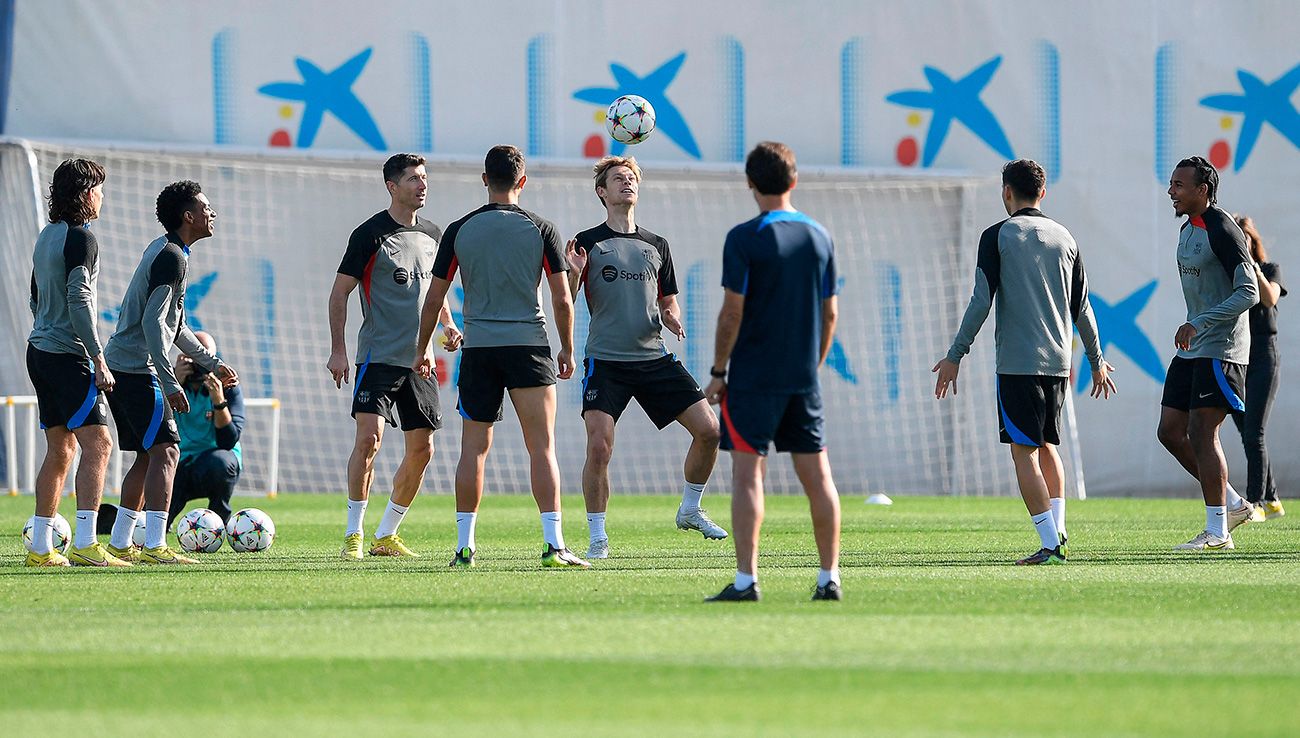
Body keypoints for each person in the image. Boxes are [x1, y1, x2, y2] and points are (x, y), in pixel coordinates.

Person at [933, 159, 1117, 565]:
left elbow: (981, 301)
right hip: (1057, 364)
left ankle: (1051, 544)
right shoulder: (1065, 237)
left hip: (1018, 364)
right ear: (1043, 193)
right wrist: (1096, 359)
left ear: (1006, 192)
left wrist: (954, 355)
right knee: (1049, 446)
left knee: (1023, 452)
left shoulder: (998, 235)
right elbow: (1082, 306)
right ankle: (1060, 532)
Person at [414, 144, 588, 568]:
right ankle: (553, 544)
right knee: (541, 447)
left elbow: (435, 297)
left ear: (484, 180)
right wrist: (566, 347)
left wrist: (420, 350)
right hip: (529, 347)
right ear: (522, 182)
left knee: (472, 449)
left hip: (479, 349)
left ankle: (463, 547)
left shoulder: (459, 229)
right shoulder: (542, 228)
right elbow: (562, 299)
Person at [565, 155, 725, 560]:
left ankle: (690, 508)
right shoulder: (587, 242)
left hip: (653, 357)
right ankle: (598, 538)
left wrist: (672, 316)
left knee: (709, 430)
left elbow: (669, 300)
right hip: (606, 360)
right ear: (602, 192)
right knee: (599, 448)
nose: (627, 183)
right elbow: (564, 300)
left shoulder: (657, 245)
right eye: (618, 178)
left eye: (632, 178)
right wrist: (572, 272)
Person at [703, 141, 842, 602]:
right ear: (794, 180)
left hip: (753, 380)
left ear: (750, 183)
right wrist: (813, 366)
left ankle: (746, 580)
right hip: (803, 380)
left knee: (748, 476)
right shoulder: (820, 236)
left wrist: (719, 371)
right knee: (819, 478)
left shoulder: (745, 237)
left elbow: (731, 313)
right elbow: (831, 314)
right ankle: (829, 578)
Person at [327, 153, 461, 560]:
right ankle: (354, 533)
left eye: (424, 178)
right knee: (369, 440)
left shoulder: (436, 234)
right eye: (413, 179)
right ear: (392, 186)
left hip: (419, 361)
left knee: (423, 450)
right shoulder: (370, 234)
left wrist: (448, 325)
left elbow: (434, 293)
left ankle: (386, 534)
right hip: (378, 357)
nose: (422, 185)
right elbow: (339, 294)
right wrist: (338, 350)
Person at [102, 180, 239, 565]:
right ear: (188, 216)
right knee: (168, 451)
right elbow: (151, 324)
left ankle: (120, 542)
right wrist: (167, 379)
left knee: (148, 457)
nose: (212, 213)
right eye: (206, 207)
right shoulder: (172, 257)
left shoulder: (171, 251)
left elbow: (173, 325)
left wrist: (212, 363)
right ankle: (156, 546)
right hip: (134, 370)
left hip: (125, 365)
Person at [25, 158, 122, 567]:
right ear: (85, 194)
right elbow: (79, 299)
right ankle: (85, 541)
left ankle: (40, 548)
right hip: (68, 356)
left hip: (39, 351)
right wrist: (98, 357)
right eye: (98, 188)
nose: (102, 196)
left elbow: (34, 295)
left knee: (61, 449)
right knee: (100, 444)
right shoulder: (83, 238)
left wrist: (48, 329)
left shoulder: (47, 235)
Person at [1158, 156, 1259, 550]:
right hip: (1194, 349)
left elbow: (1249, 291)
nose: (1171, 191)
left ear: (1203, 190)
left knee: (1202, 431)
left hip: (1222, 348)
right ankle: (1233, 503)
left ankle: (1218, 532)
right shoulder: (1188, 229)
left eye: (1179, 185)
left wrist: (1199, 322)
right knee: (1169, 431)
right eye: (1171, 184)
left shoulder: (1223, 229)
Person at [1231, 216, 1286, 519]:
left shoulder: (1269, 270)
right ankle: (1273, 497)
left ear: (1253, 241)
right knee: (1246, 430)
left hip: (1265, 355)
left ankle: (1257, 503)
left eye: (1246, 239)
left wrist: (1252, 267)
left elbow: (1268, 298)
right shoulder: (1231, 277)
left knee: (1255, 432)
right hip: (1239, 355)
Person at [167, 331, 245, 524]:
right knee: (149, 519)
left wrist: (218, 401)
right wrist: (173, 385)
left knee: (221, 462)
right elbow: (150, 427)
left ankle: (218, 519)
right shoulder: (168, 381)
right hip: (179, 465)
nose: (197, 365)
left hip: (213, 463)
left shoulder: (227, 385)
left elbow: (227, 441)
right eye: (192, 357)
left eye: (203, 357)